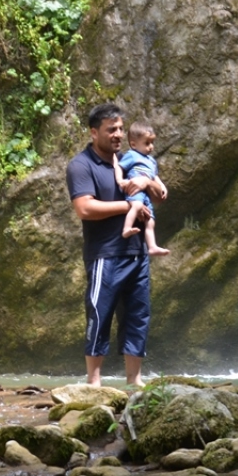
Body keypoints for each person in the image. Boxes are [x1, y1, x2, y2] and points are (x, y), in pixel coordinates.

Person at [65, 103, 165, 387]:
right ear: (94, 132)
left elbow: (159, 196)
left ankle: (134, 380)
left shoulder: (131, 159)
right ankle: (94, 382)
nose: (118, 135)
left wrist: (147, 181)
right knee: (99, 314)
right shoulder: (81, 165)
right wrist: (127, 206)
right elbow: (84, 208)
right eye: (112, 130)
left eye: (121, 129)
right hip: (105, 255)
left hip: (136, 253)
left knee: (138, 315)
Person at [115, 122, 170, 256]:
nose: (151, 147)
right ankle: (126, 228)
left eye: (152, 143)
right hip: (135, 190)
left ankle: (152, 246)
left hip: (146, 194)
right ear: (134, 144)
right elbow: (119, 167)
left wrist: (162, 186)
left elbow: (154, 176)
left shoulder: (151, 161)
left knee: (150, 220)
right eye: (147, 143)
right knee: (137, 206)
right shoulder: (132, 155)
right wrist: (120, 180)